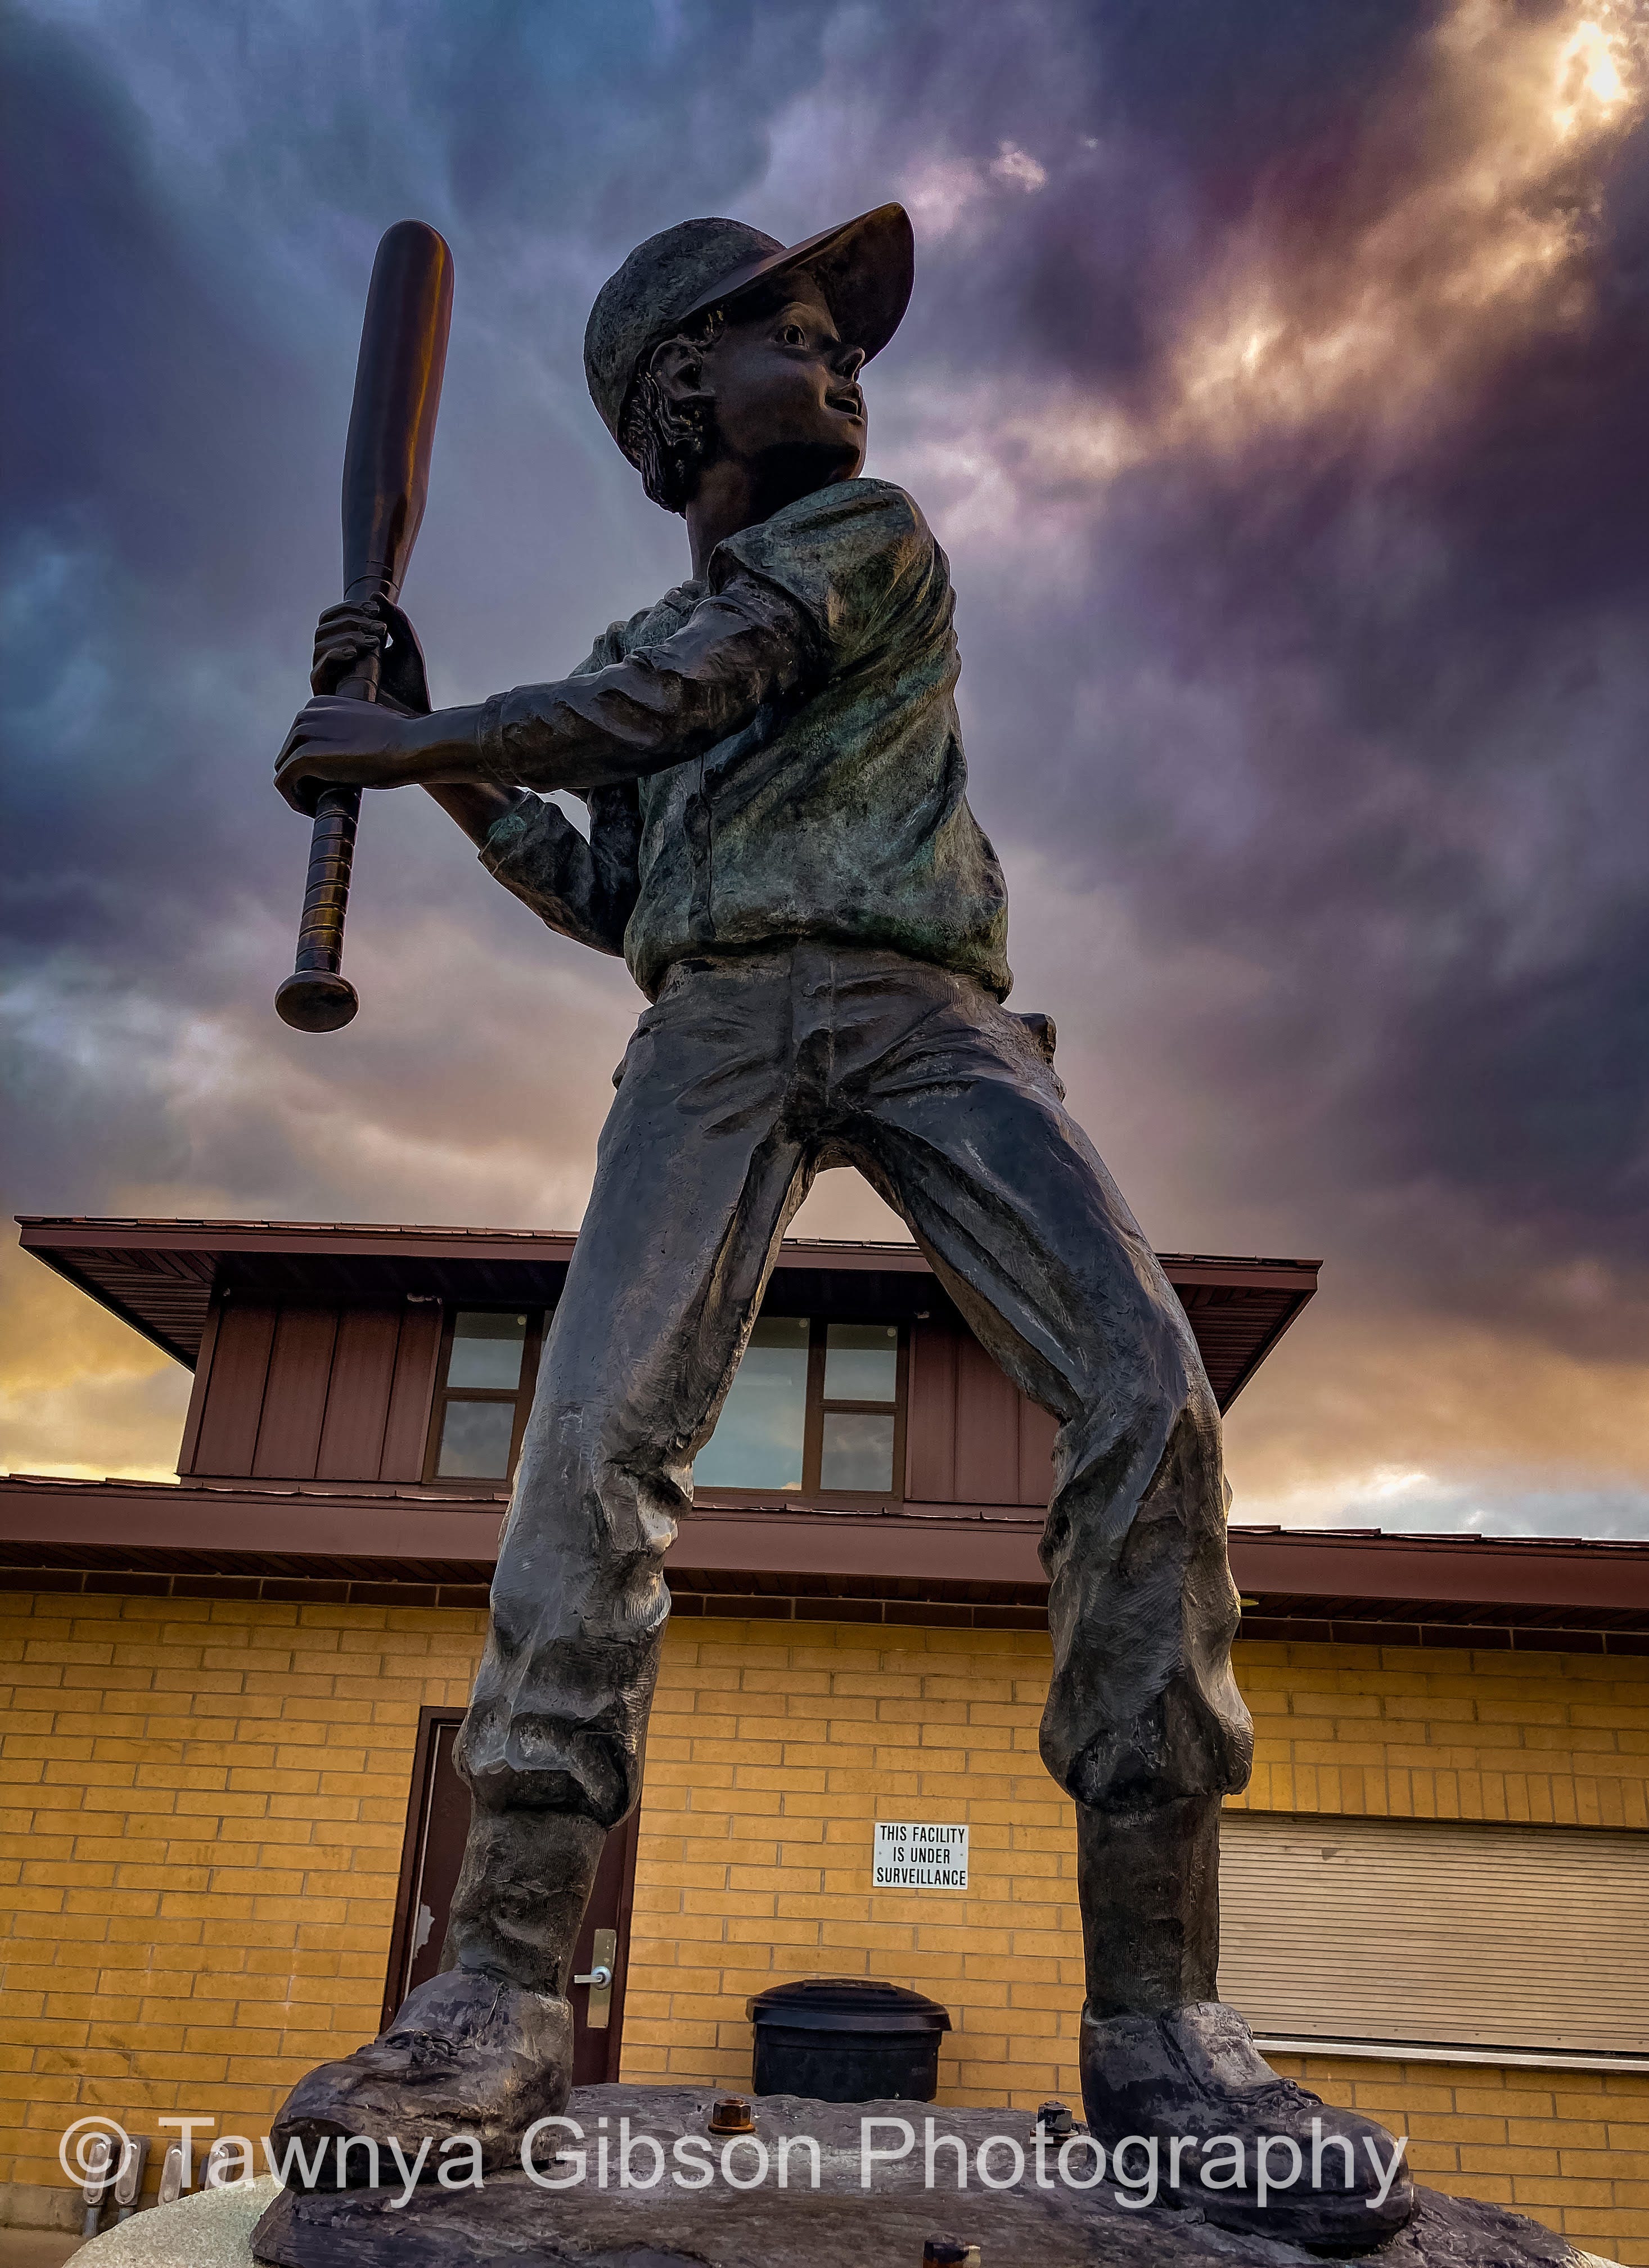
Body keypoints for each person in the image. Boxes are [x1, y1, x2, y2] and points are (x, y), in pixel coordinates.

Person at [270, 205, 1412, 2243]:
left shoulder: (868, 541)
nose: (843, 362)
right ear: (679, 394)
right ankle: (502, 1987)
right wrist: (436, 755)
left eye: (838, 335)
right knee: (589, 1443)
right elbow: (609, 882)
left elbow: (697, 688)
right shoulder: (626, 650)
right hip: (707, 1028)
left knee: (1150, 1393)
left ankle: (1162, 2024)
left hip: (925, 1009)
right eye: (794, 333)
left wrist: (414, 737)